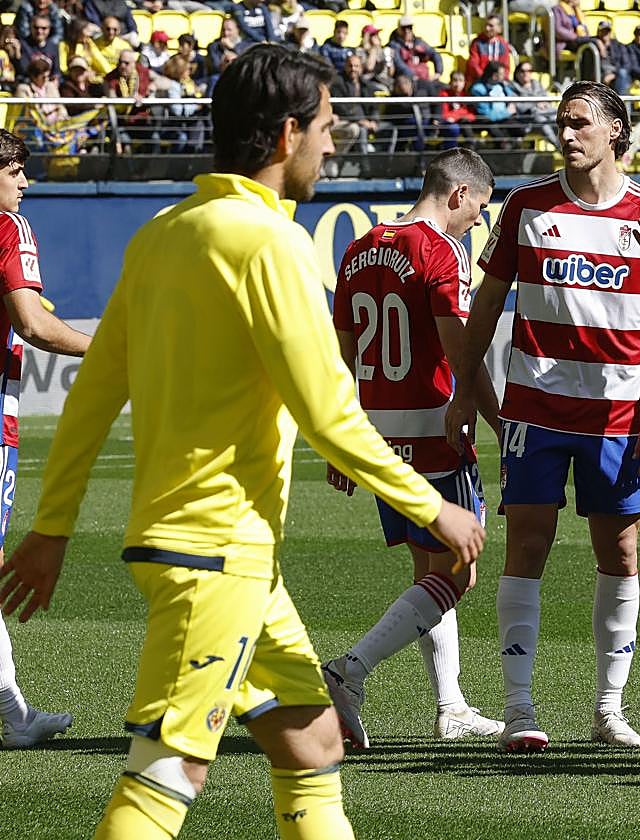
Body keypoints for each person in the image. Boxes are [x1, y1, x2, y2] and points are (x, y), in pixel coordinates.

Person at [0, 44, 484, 838]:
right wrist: (433, 507)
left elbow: (95, 392)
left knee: (313, 740)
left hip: (223, 557)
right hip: (213, 556)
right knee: (167, 771)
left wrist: (53, 526)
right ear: (288, 134)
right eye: (326, 126)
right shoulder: (272, 243)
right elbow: (329, 413)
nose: (333, 143)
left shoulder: (163, 232)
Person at [444, 81, 640, 752]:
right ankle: (518, 708)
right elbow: (486, 305)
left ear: (615, 130)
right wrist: (465, 391)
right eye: (562, 123)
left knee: (622, 550)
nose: (568, 134)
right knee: (527, 546)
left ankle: (609, 709)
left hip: (618, 416)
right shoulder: (526, 206)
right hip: (535, 409)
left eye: (580, 123)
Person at [322, 148, 503, 749]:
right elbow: (461, 352)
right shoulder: (440, 250)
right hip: (434, 430)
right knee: (459, 569)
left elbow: (342, 355)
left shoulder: (359, 248)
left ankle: (450, 706)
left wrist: (341, 440)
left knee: (427, 570)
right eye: (479, 208)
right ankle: (350, 670)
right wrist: (496, 421)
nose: (477, 221)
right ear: (459, 195)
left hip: (378, 435)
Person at [0, 128, 91, 749]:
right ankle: (13, 717)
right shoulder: (9, 227)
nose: (25, 183)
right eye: (14, 171)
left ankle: (14, 715)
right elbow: (33, 324)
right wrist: (110, 352)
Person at [510, 60, 557, 146]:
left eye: (529, 71)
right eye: (522, 71)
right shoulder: (513, 88)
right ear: (517, 73)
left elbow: (546, 98)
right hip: (528, 120)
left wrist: (544, 103)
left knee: (556, 117)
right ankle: (560, 147)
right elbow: (520, 107)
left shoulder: (536, 84)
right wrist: (536, 104)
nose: (526, 73)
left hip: (546, 113)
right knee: (541, 120)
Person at [391, 15, 442, 82]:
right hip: (406, 81)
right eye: (403, 28)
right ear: (398, 29)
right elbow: (399, 64)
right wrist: (413, 76)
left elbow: (435, 54)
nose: (407, 31)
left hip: (425, 79)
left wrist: (438, 73)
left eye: (409, 27)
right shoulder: (394, 45)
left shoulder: (419, 42)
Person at [466, 14, 513, 85]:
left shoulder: (503, 44)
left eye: (491, 26)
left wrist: (500, 79)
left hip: (498, 81)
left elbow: (505, 66)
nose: (487, 28)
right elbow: (473, 65)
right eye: (486, 25)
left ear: (499, 28)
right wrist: (485, 78)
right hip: (480, 81)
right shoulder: (477, 43)